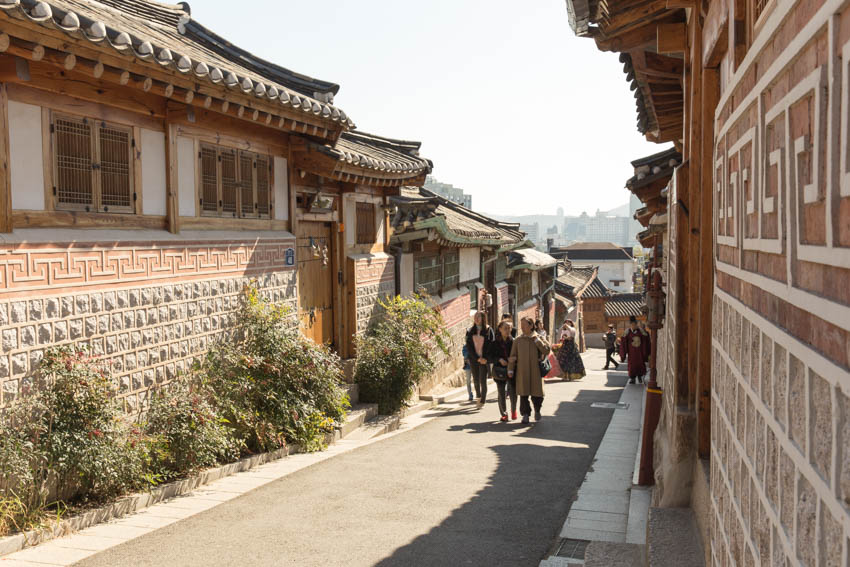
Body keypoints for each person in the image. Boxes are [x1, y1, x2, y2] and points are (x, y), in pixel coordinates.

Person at [508, 316, 551, 424]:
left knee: (538, 395)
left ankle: (537, 410)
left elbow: (546, 351)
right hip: (522, 372)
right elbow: (512, 356)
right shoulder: (518, 340)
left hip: (536, 371)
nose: (522, 327)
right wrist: (510, 370)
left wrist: (537, 341)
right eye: (521, 325)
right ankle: (525, 414)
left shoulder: (539, 337)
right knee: (523, 394)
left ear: (531, 325)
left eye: (524, 325)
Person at [488, 320, 517, 422]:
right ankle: (504, 413)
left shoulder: (514, 342)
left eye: (509, 328)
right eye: (505, 328)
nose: (508, 330)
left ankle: (513, 411)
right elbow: (489, 357)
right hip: (499, 370)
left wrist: (512, 360)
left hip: (512, 370)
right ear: (500, 329)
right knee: (501, 393)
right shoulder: (494, 343)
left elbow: (517, 355)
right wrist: (499, 359)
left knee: (513, 392)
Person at [465, 311, 495, 406]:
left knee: (483, 380)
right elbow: (469, 347)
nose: (476, 318)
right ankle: (478, 396)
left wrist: (485, 358)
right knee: (476, 380)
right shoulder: (470, 331)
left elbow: (491, 345)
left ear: (483, 318)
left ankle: (483, 400)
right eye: (475, 317)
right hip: (474, 360)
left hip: (484, 360)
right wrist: (477, 358)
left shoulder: (488, 330)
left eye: (479, 317)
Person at [620, 315, 648, 384]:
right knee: (632, 365)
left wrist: (645, 352)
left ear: (636, 324)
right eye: (632, 324)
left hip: (639, 352)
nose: (633, 326)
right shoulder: (627, 332)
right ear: (630, 324)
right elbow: (623, 342)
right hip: (631, 352)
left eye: (634, 324)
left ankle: (640, 377)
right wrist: (623, 353)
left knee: (640, 364)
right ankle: (632, 378)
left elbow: (646, 340)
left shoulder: (640, 331)